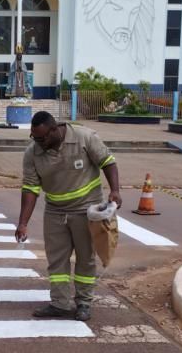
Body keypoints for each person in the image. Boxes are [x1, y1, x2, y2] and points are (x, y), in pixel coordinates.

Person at [15, 111, 121, 322]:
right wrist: (23, 223)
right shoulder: (33, 153)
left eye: (42, 138)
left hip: (86, 210)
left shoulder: (83, 137)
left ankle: (83, 303)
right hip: (55, 212)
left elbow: (108, 161)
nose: (38, 142)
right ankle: (60, 303)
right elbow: (30, 189)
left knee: (85, 259)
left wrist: (115, 190)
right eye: (34, 138)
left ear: (55, 129)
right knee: (56, 261)